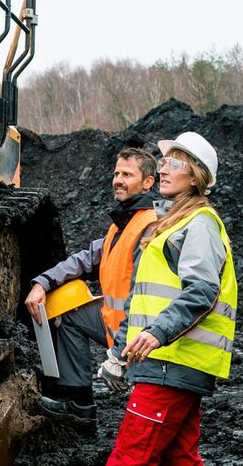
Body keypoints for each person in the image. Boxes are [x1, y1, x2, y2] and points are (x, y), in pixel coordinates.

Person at [26, 131, 237, 466]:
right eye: (163, 161)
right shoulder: (169, 223)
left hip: (171, 365)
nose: (163, 168)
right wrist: (121, 352)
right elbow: (143, 298)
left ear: (197, 176)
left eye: (175, 161)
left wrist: (155, 336)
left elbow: (200, 291)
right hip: (172, 367)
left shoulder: (198, 224)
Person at [23, 146, 161, 428]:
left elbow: (142, 296)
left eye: (127, 174)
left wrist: (118, 356)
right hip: (118, 323)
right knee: (68, 310)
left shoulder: (149, 227)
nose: (118, 180)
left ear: (148, 182)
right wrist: (42, 283)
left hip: (142, 334)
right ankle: (79, 403)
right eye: (116, 173)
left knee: (145, 419)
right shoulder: (123, 224)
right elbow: (85, 259)